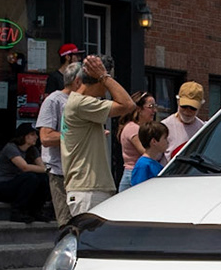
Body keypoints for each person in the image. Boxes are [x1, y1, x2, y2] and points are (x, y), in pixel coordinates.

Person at [61, 55, 135, 216]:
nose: (108, 88)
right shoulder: (81, 103)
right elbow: (128, 105)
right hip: (87, 189)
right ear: (100, 81)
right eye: (107, 81)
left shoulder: (80, 103)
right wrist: (104, 76)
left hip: (89, 189)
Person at [0, 122, 49, 222]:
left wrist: (45, 170)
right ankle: (17, 211)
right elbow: (24, 167)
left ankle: (36, 210)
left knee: (43, 178)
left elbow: (42, 167)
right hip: (2, 186)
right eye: (32, 134)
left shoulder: (33, 150)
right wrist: (47, 170)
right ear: (24, 136)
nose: (36, 137)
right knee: (30, 177)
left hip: (20, 186)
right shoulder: (11, 148)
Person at [34, 71, 69, 227]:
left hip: (82, 172)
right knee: (67, 222)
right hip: (60, 170)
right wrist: (79, 136)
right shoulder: (54, 100)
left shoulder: (84, 101)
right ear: (78, 81)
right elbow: (46, 138)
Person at [117, 93, 158, 190]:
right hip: (134, 173)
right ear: (139, 109)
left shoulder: (139, 128)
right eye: (150, 107)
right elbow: (145, 152)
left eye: (155, 106)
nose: (154, 110)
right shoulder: (133, 128)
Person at [163, 81, 207, 157]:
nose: (187, 111)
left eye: (193, 108)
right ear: (178, 102)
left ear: (200, 106)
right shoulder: (164, 127)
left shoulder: (203, 129)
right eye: (184, 106)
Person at [128, 121, 169, 186]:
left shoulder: (155, 163)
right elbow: (139, 188)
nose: (167, 142)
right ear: (154, 141)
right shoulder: (143, 165)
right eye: (165, 138)